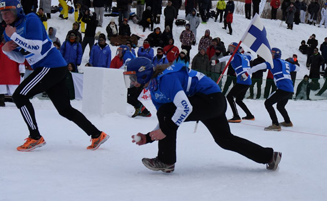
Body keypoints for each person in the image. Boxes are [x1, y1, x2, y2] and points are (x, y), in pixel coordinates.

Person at [126, 58, 282, 173]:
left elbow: (184, 108)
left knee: (167, 111)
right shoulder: (154, 88)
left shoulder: (166, 79)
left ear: (143, 73)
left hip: (210, 100)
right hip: (211, 101)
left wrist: (164, 131)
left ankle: (166, 160)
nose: (132, 82)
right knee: (225, 140)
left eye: (133, 78)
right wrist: (148, 137)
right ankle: (269, 156)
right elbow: (164, 119)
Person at [0, 0, 108, 151]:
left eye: (8, 12)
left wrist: (15, 36)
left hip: (50, 65)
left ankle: (35, 137)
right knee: (64, 109)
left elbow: (35, 47)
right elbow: (22, 57)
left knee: (19, 96)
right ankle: (97, 134)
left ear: (17, 10)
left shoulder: (31, 19)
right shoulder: (8, 32)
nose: (5, 16)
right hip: (51, 68)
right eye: (2, 13)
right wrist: (6, 51)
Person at [250, 48, 299, 131]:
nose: (270, 55)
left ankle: (275, 124)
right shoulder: (286, 63)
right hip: (290, 88)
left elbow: (258, 67)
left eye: (271, 54)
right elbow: (297, 68)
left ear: (276, 55)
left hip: (283, 88)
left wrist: (247, 72)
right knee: (280, 106)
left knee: (268, 103)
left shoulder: (272, 62)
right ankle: (287, 122)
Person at [217, 43, 255, 122]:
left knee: (229, 97)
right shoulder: (244, 56)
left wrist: (218, 60)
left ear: (236, 49)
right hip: (247, 81)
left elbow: (228, 57)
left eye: (232, 48)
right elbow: (251, 56)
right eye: (229, 47)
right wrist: (243, 52)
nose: (230, 49)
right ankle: (250, 115)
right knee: (238, 100)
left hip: (242, 81)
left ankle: (236, 116)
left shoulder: (235, 56)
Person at [0, 42, 25, 106]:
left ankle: (18, 101)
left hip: (12, 72)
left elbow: (20, 60)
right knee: (1, 88)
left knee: (14, 89)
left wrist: (22, 70)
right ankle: (1, 102)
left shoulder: (14, 48)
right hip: (2, 72)